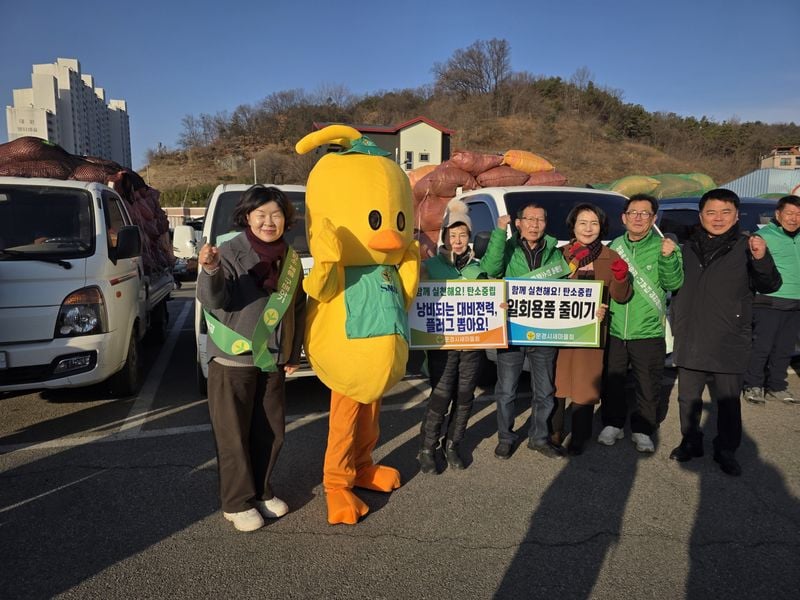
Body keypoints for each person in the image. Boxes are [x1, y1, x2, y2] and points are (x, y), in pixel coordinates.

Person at [196, 185, 306, 531]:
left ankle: (260, 491)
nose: (268, 222)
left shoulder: (290, 259)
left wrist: (293, 350)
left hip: (271, 359)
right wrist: (210, 270)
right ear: (247, 217)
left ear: (286, 219)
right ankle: (235, 501)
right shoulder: (228, 252)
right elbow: (212, 301)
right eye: (261, 215)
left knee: (270, 432)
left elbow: (297, 308)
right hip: (232, 360)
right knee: (233, 435)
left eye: (276, 214)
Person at [669, 188, 781, 477]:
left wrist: (761, 258)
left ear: (736, 216)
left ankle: (726, 449)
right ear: (701, 215)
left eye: (725, 212)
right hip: (691, 332)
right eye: (711, 212)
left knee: (728, 400)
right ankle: (690, 441)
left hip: (729, 335)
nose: (717, 218)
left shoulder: (748, 246)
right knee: (687, 397)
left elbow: (769, 285)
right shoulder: (687, 247)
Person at [481, 203, 572, 460]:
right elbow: (491, 269)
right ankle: (505, 438)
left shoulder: (556, 254)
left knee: (545, 391)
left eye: (540, 219)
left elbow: (566, 289)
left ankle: (539, 438)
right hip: (511, 331)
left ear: (546, 223)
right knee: (507, 390)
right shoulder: (507, 249)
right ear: (518, 223)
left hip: (544, 333)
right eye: (529, 219)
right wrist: (500, 232)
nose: (534, 224)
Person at [600, 194, 684, 453]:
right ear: (623, 217)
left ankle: (643, 428)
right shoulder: (614, 245)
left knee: (648, 382)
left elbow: (674, 284)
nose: (638, 217)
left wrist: (669, 258)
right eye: (632, 213)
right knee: (612, 380)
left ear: (653, 218)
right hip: (615, 327)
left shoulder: (665, 246)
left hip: (647, 329)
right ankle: (613, 423)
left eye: (644, 213)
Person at [551, 203, 632, 456]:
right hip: (560, 329)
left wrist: (620, 278)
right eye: (582, 222)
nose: (588, 228)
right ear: (572, 226)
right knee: (557, 380)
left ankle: (580, 434)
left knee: (585, 383)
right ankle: (554, 430)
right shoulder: (559, 255)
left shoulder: (611, 257)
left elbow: (621, 296)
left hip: (592, 331)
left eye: (594, 223)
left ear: (602, 227)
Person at [417, 199, 488, 473]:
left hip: (472, 345)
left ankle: (453, 444)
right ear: (444, 237)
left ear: (469, 238)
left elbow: (491, 299)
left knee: (465, 395)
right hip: (441, 344)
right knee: (441, 394)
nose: (457, 240)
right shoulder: (430, 266)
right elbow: (416, 295)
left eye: (462, 235)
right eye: (452, 235)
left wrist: (498, 304)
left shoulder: (477, 268)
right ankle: (427, 447)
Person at [742, 194, 800, 405]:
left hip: (796, 303)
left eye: (799, 214)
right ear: (778, 214)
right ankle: (753, 384)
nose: (794, 218)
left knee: (785, 348)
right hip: (769, 301)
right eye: (790, 213)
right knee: (762, 346)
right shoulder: (763, 236)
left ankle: (777, 385)